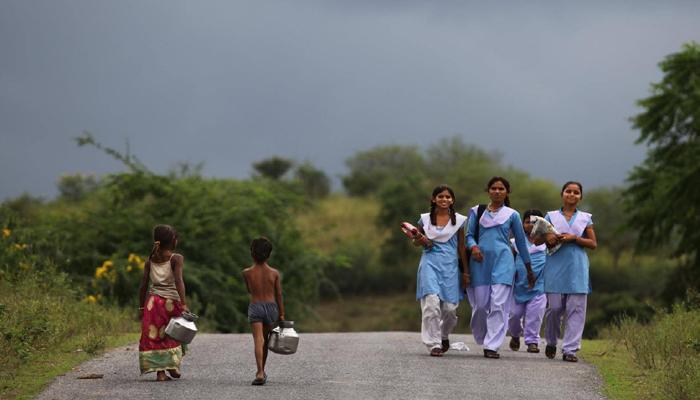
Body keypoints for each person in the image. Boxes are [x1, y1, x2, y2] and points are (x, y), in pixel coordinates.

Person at [467, 177, 535, 359]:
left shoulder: (512, 215)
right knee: (481, 305)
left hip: (504, 261)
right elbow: (469, 236)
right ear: (488, 190)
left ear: (507, 192)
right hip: (480, 262)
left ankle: (492, 345)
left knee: (498, 304)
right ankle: (482, 336)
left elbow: (521, 243)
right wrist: (473, 247)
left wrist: (528, 270)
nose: (497, 191)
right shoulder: (477, 211)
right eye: (494, 188)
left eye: (501, 189)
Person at [539, 181, 597, 362]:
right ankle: (551, 340)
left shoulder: (585, 218)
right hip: (555, 266)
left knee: (576, 310)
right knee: (554, 308)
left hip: (577, 268)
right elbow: (539, 240)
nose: (572, 195)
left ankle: (570, 350)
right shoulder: (550, 216)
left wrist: (575, 238)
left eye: (576, 192)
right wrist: (550, 239)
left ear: (581, 197)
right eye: (568, 191)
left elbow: (593, 244)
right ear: (562, 194)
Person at [411, 185, 469, 357]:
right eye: (440, 197)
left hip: (449, 266)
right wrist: (419, 240)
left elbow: (461, 246)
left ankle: (443, 335)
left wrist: (465, 271)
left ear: (453, 200)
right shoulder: (425, 220)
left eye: (448, 197)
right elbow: (417, 242)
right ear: (433, 199)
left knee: (450, 309)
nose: (444, 200)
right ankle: (433, 344)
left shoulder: (458, 221)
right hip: (429, 263)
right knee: (431, 304)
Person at [138, 224, 188, 381]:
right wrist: (184, 303)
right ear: (174, 241)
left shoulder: (150, 261)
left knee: (157, 337)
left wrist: (141, 306)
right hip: (171, 302)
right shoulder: (176, 258)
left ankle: (162, 372)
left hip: (153, 303)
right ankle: (173, 365)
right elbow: (179, 280)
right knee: (173, 334)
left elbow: (143, 285)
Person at [243, 237, 285, 385]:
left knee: (258, 340)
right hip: (271, 307)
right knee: (265, 341)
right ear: (269, 254)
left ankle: (260, 372)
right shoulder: (274, 273)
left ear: (252, 253)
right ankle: (262, 370)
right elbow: (279, 294)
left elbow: (249, 290)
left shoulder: (247, 273)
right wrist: (281, 314)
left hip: (255, 306)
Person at [508, 209, 548, 353]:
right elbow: (508, 262)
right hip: (518, 286)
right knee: (514, 315)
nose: (530, 225)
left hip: (539, 286)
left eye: (534, 222)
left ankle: (532, 341)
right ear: (521, 224)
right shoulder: (515, 243)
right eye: (526, 222)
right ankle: (515, 334)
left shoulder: (546, 243)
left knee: (534, 315)